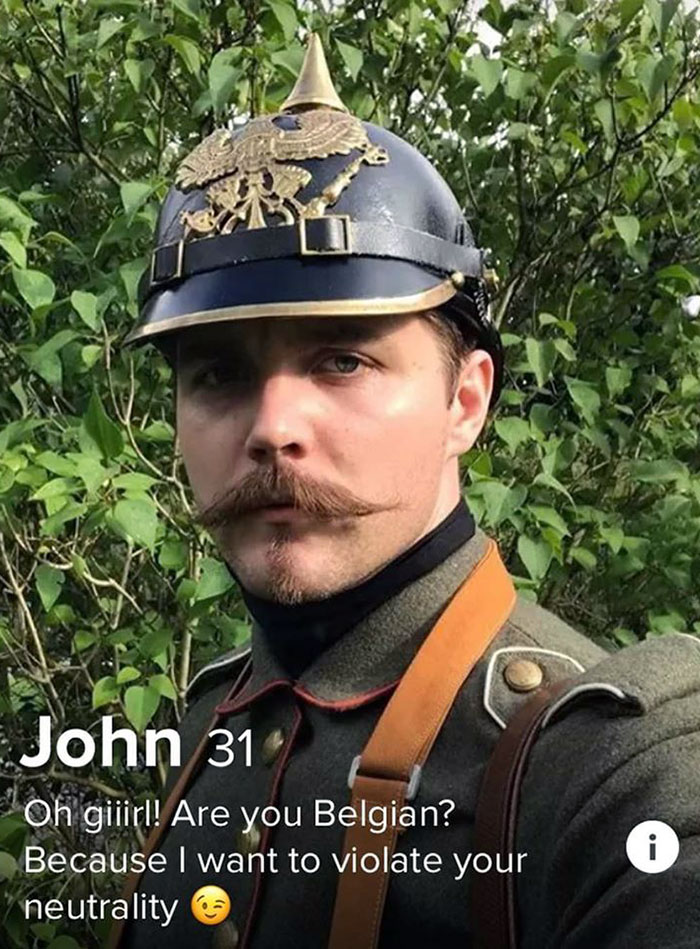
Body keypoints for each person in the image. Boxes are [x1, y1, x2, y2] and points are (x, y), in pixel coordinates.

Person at [112, 33, 700, 949]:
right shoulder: (208, 720)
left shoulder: (602, 771)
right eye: (219, 373)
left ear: (465, 401)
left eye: (343, 360)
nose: (272, 426)